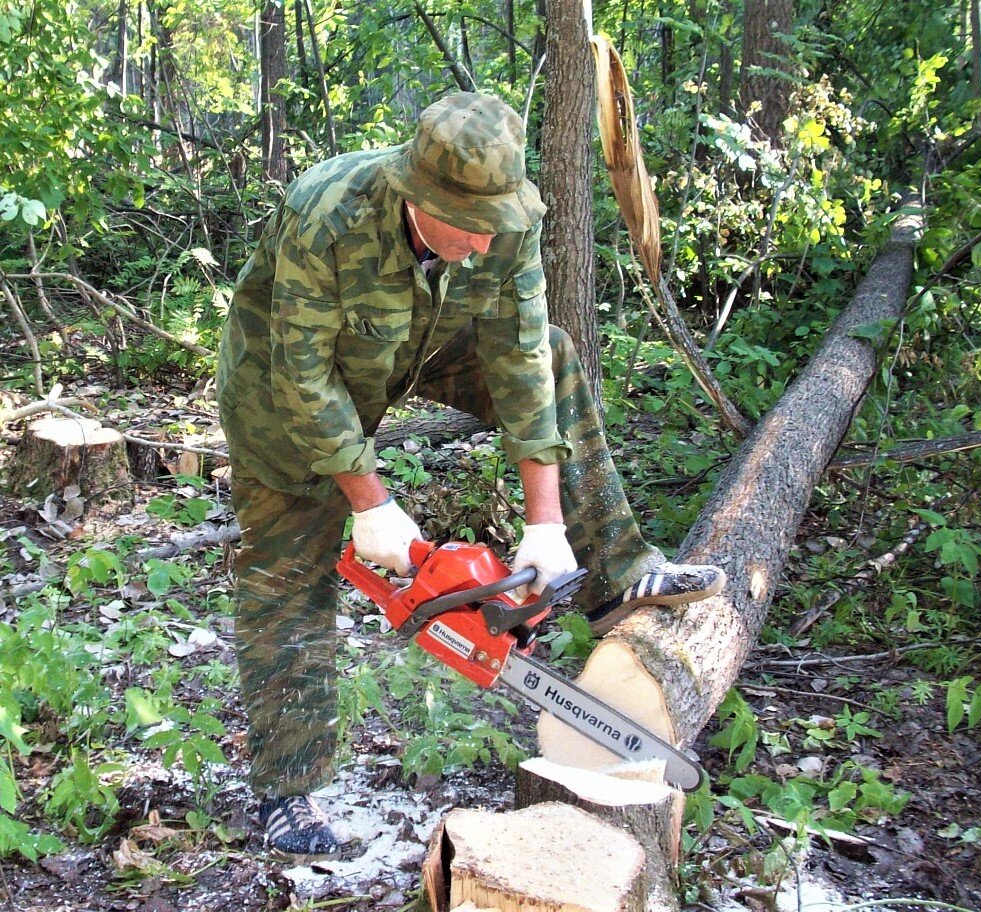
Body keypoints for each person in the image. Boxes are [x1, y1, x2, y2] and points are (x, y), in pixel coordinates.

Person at [216, 92, 726, 858]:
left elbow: (520, 357)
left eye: (497, 225)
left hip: (422, 340)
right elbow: (302, 371)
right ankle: (288, 788)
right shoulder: (327, 212)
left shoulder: (501, 227)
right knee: (288, 574)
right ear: (421, 199)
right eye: (472, 228)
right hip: (282, 389)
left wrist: (544, 523)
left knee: (552, 354)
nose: (488, 245)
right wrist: (371, 502)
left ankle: (616, 575)